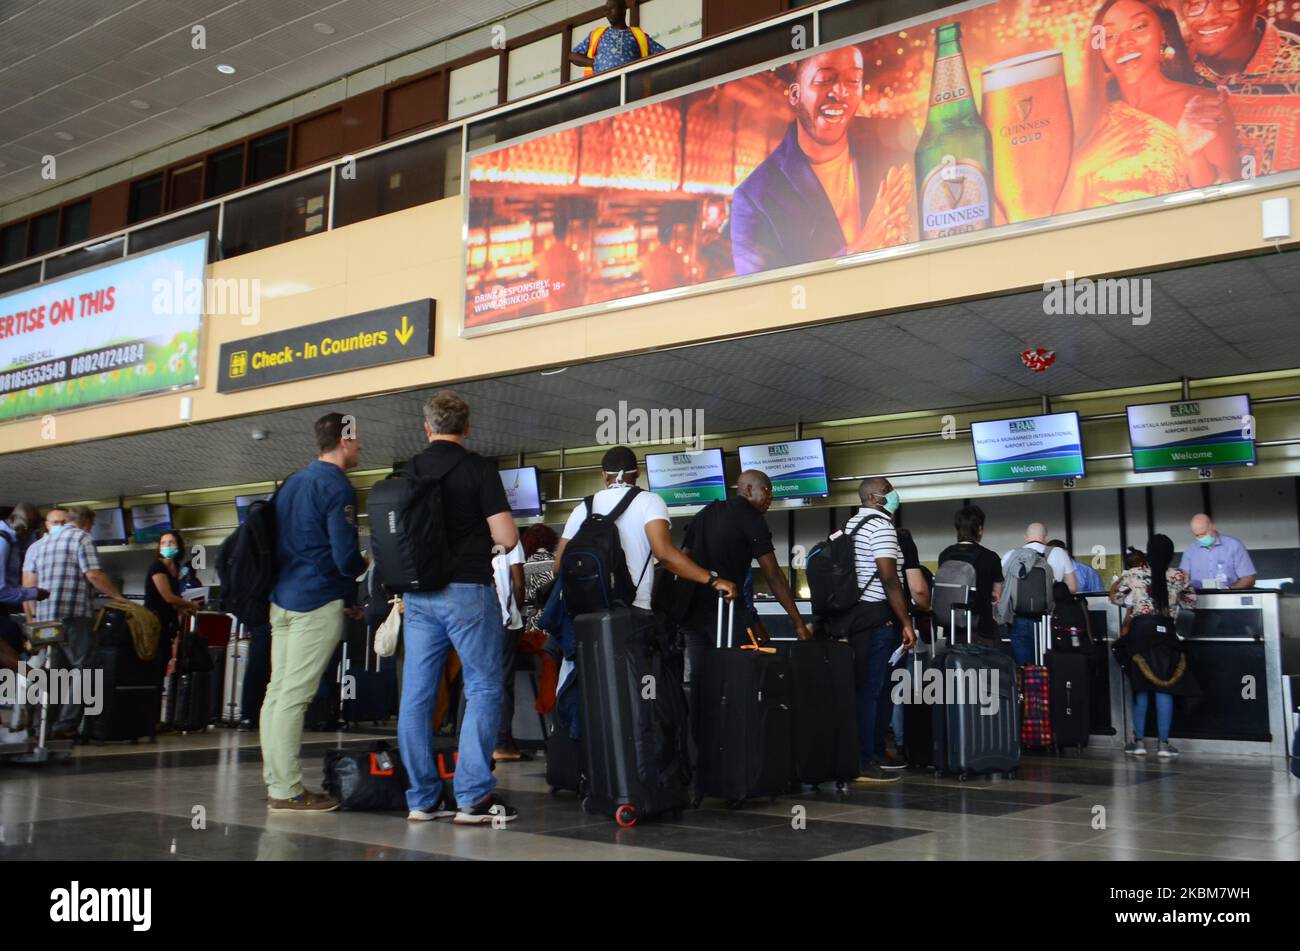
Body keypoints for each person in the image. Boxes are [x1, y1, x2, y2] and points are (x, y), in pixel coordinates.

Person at [398, 391, 522, 825]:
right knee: (484, 687)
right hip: (468, 590)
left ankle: (421, 798)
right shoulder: (478, 470)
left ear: (426, 427)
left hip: (417, 595)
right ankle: (471, 798)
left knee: (417, 695)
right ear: (467, 427)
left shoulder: (407, 470)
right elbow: (507, 538)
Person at [260, 412, 367, 813]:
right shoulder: (337, 487)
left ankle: (277, 782)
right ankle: (287, 791)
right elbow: (343, 557)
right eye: (357, 440)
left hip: (282, 600)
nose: (360, 447)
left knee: (277, 694)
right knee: (294, 698)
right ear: (343, 440)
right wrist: (364, 566)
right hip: (316, 602)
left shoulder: (292, 483)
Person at [730, 45, 916, 276]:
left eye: (853, 81)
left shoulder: (893, 139)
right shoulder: (753, 199)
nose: (840, 92)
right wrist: (861, 247)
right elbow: (760, 300)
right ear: (795, 95)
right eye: (825, 79)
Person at [673, 469, 809, 735]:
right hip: (725, 612)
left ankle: (701, 745)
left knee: (701, 681)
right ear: (748, 489)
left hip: (692, 613)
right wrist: (798, 623)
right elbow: (773, 575)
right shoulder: (751, 518)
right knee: (737, 679)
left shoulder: (704, 514)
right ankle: (734, 742)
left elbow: (682, 559)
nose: (770, 497)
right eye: (767, 491)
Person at [1056, 0, 1207, 211]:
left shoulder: (1201, 104)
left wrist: (1192, 150)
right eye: (1109, 36)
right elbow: (1062, 225)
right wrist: (1079, 168)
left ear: (1162, 33)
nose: (1125, 42)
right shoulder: (1090, 119)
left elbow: (1224, 203)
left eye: (1139, 27)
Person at [22, 505, 127, 739]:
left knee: (55, 672)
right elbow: (93, 574)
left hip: (46, 618)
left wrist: (33, 618)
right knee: (86, 669)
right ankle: (66, 725)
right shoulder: (82, 538)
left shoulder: (41, 544)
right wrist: (120, 598)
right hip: (73, 615)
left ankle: (44, 727)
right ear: (87, 523)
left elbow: (29, 585)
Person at [840, 477, 917, 784]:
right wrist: (907, 622)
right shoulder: (881, 527)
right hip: (877, 621)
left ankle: (866, 753)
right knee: (871, 692)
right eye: (888, 491)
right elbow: (888, 578)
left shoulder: (850, 526)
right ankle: (863, 761)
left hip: (856, 621)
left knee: (865, 691)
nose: (894, 494)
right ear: (873, 497)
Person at [1176, 0, 1300, 175]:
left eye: (1226, 2)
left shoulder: (1295, 70)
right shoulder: (1172, 70)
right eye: (1195, 3)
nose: (1208, 16)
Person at [1110, 533, 1198, 757]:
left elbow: (1116, 598)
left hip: (1140, 634)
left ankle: (1138, 742)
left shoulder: (1133, 574)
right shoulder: (1179, 576)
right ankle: (1163, 744)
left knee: (1141, 688)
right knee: (1164, 686)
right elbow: (1190, 602)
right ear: (1170, 554)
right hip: (1166, 634)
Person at [999, 522, 1077, 665]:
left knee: (1024, 667)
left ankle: (1028, 685)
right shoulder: (1058, 553)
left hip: (1018, 620)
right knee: (1048, 667)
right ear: (1046, 538)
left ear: (1025, 537)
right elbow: (1072, 588)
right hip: (1048, 620)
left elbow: (1001, 588)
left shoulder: (1010, 555)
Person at [937, 505, 1005, 650]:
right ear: (980, 529)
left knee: (955, 670)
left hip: (952, 629)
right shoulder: (990, 557)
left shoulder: (945, 555)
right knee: (985, 671)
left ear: (957, 529)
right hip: (981, 629)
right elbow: (996, 593)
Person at [491, 537, 527, 762]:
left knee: (473, 682)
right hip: (504, 621)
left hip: (473, 620)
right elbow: (519, 583)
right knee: (503, 683)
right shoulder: (510, 539)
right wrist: (516, 611)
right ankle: (502, 743)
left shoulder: (466, 531)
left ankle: (468, 740)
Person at [143, 530, 198, 677]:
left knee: (163, 662)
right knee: (154, 665)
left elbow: (172, 600)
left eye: (171, 542)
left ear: (178, 546)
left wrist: (181, 609)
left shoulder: (176, 568)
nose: (167, 545)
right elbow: (168, 597)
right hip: (154, 624)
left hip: (167, 625)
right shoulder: (157, 567)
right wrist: (190, 605)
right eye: (163, 543)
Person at [569, 0, 665, 75]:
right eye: (606, 9)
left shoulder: (638, 35)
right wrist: (594, 63)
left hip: (631, 85)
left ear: (623, 9)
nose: (607, 12)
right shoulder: (598, 34)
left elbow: (663, 54)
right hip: (601, 86)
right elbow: (573, 56)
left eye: (612, 8)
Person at [1, 504, 48, 655]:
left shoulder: (12, 540)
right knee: (10, 648)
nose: (26, 534)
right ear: (13, 519)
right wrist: (34, 594)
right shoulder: (2, 541)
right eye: (25, 529)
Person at [1180, 513, 1256, 589]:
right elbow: (1181, 580)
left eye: (1203, 534)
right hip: (1198, 598)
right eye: (1197, 535)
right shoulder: (1190, 551)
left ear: (1213, 526)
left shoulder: (1234, 546)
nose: (1200, 538)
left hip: (1228, 597)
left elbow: (1248, 579)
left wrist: (1229, 590)